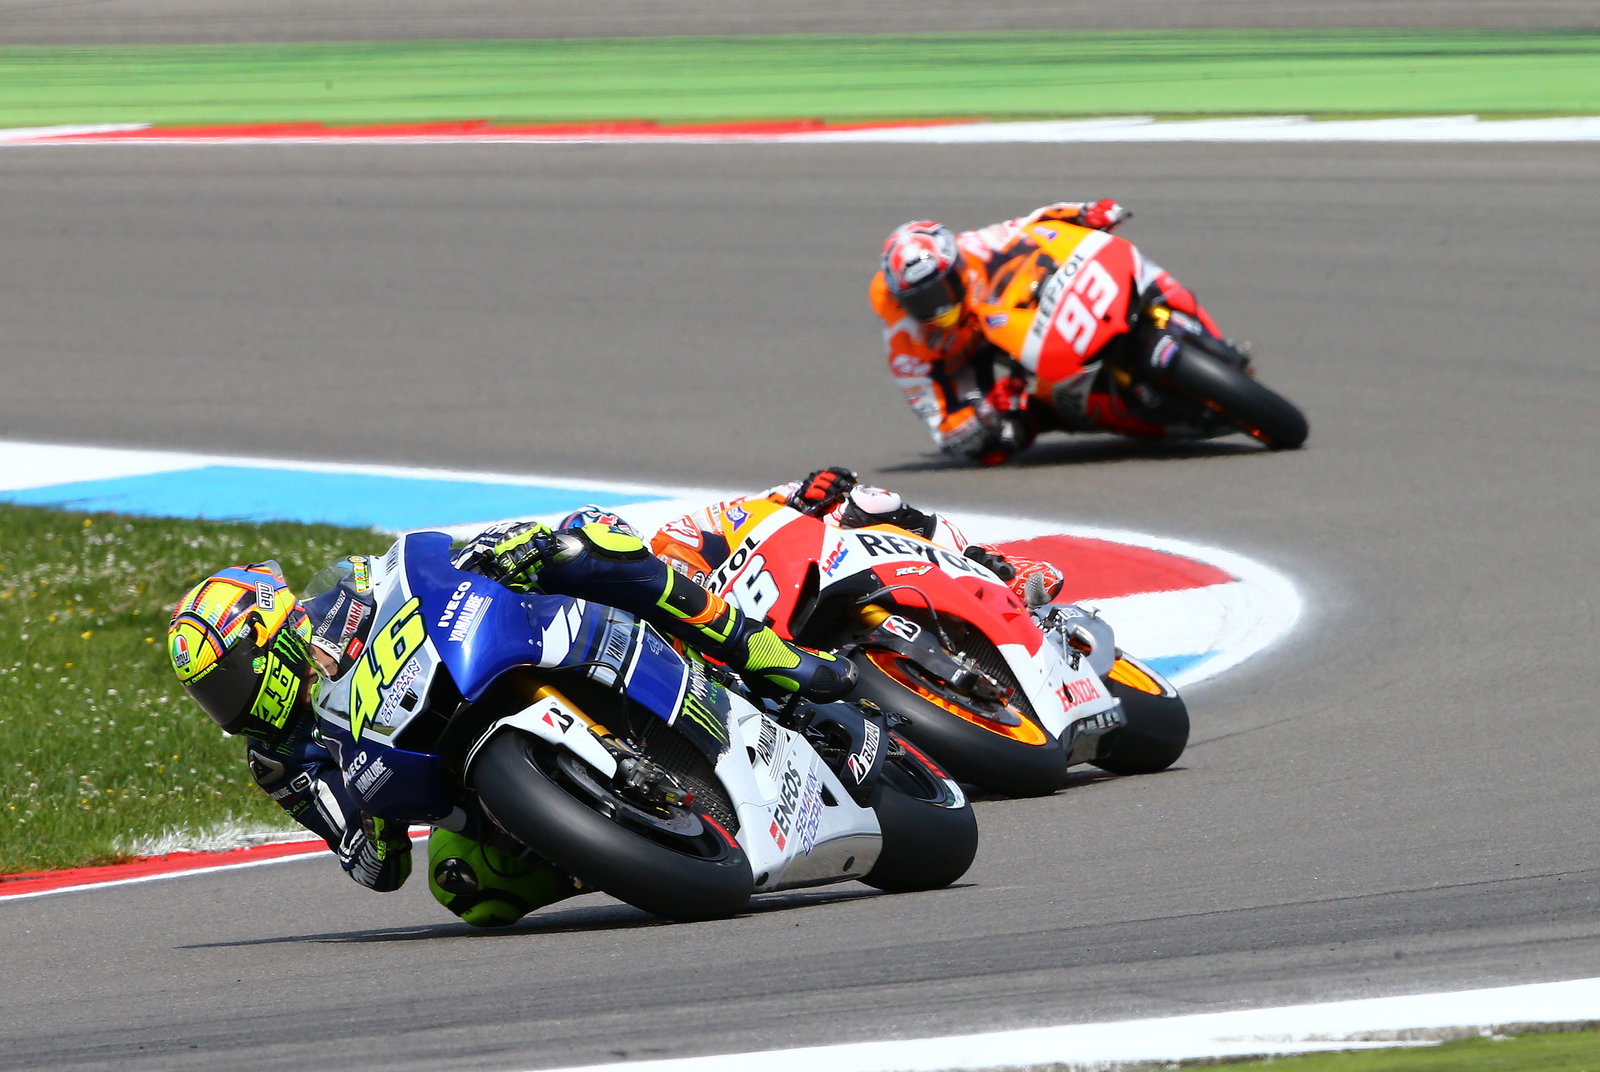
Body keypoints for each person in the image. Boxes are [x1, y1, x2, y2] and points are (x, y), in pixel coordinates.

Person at [166, 514, 856, 928]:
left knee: (589, 540)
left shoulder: (337, 598)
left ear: (266, 638)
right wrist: (363, 817)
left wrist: (496, 548)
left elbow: (410, 570)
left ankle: (762, 652)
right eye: (210, 695)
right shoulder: (279, 758)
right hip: (450, 779)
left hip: (475, 659)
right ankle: (612, 852)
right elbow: (375, 868)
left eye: (225, 678)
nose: (225, 706)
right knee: (466, 891)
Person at [870, 200, 1223, 465]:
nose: (936, 306)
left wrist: (1087, 213)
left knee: (1132, 267)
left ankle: (1193, 322)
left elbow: (1037, 223)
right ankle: (1081, 407)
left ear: (956, 266)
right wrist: (987, 413)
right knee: (996, 444)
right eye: (921, 300)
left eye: (940, 289)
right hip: (966, 359)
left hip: (1014, 306)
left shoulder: (976, 246)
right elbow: (944, 431)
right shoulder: (906, 347)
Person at [648, 467, 1066, 608]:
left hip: (815, 572)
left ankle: (998, 571)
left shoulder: (689, 532)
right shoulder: (666, 624)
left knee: (871, 505)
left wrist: (810, 493)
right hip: (766, 647)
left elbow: (772, 501)